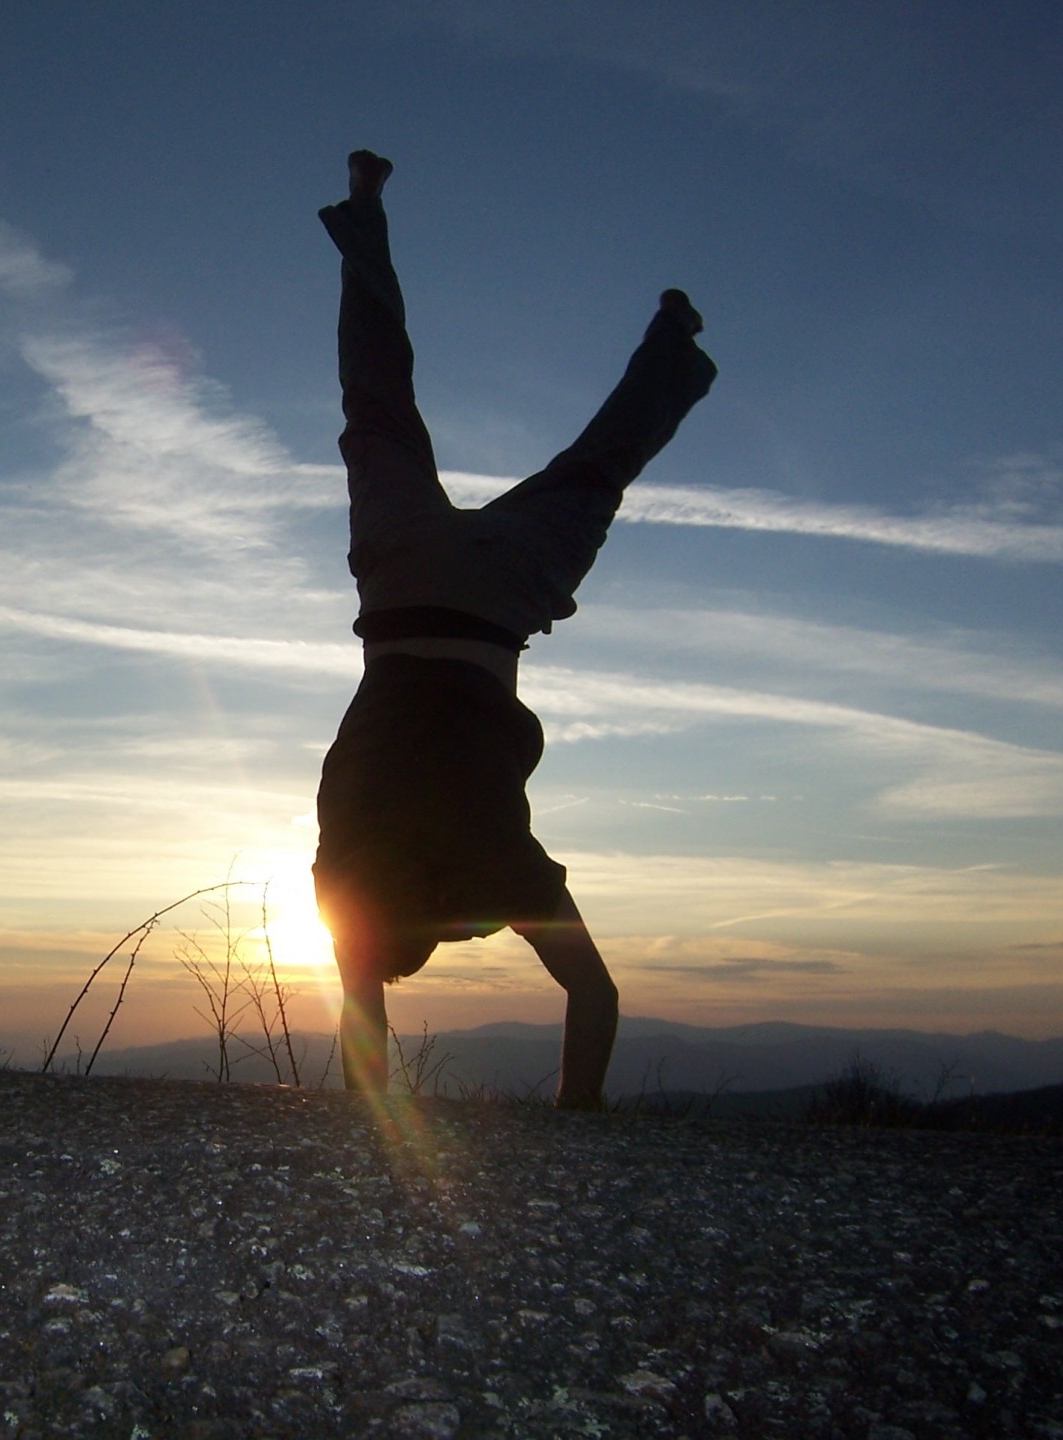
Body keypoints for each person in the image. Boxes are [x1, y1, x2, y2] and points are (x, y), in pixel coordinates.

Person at [312, 150, 717, 1107]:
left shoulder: (502, 876)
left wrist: (577, 1124)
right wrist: (373, 1107)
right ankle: (363, 214)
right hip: (402, 584)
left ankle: (675, 345)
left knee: (593, 471)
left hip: (497, 603)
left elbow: (597, 994)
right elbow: (361, 1014)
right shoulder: (348, 879)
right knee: (377, 407)